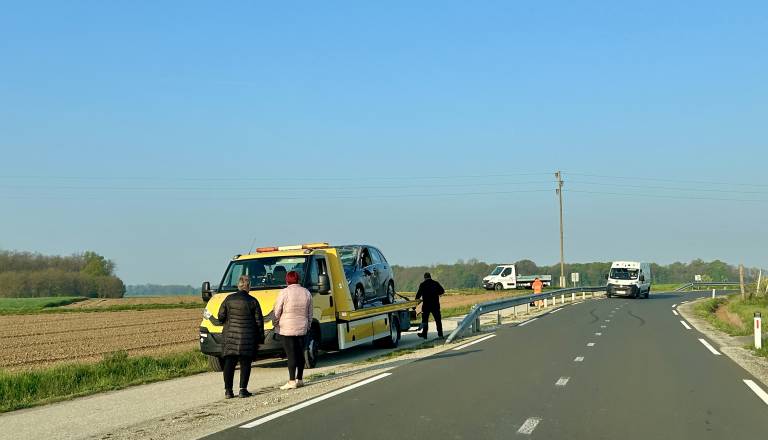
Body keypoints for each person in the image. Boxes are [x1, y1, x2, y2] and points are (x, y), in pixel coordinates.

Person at [218, 275, 264, 399]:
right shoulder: (253, 301)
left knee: (229, 363)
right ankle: (243, 390)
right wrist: (260, 339)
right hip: (247, 338)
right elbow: (259, 322)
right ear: (248, 287)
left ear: (238, 286)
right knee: (245, 363)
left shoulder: (228, 299)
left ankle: (228, 391)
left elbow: (220, 316)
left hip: (230, 337)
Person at [274, 270, 312, 390]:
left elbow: (277, 310)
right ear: (298, 279)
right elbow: (310, 312)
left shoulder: (284, 292)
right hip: (302, 327)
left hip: (287, 328)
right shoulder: (306, 292)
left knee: (291, 355)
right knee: (300, 354)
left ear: (287, 280)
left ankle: (291, 381)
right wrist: (308, 324)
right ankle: (299, 379)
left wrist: (275, 323)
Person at [416, 272, 444, 339]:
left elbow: (418, 295)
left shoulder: (422, 285)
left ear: (424, 277)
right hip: (435, 305)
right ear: (430, 277)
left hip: (426, 306)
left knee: (425, 321)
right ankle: (440, 334)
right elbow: (442, 291)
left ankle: (425, 335)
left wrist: (415, 304)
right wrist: (437, 293)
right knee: (438, 320)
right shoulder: (435, 283)